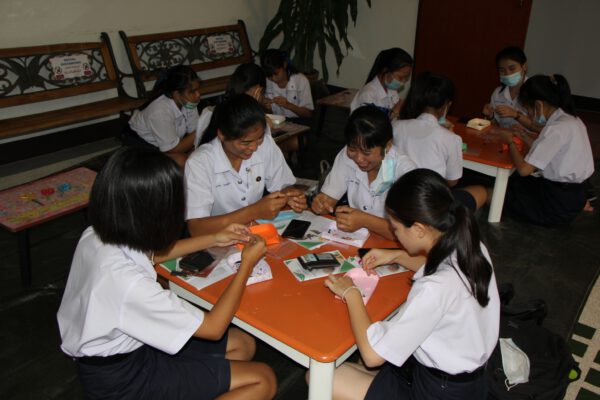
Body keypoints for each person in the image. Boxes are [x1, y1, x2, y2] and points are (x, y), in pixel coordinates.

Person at [56, 147, 277, 400]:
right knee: (263, 380)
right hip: (122, 380)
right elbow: (214, 328)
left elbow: (151, 255)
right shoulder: (130, 284)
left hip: (128, 349)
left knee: (243, 344)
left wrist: (215, 237)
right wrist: (246, 264)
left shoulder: (96, 234)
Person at [323, 169, 500, 400]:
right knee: (349, 367)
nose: (395, 235)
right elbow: (442, 267)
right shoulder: (470, 245)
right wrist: (396, 256)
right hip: (468, 381)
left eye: (396, 229)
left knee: (323, 380)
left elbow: (372, 356)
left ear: (418, 229)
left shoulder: (434, 288)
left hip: (439, 392)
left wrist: (351, 292)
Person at [185, 94, 307, 236]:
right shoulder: (199, 163)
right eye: (245, 142)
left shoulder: (265, 145)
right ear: (222, 135)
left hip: (255, 232)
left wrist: (289, 195)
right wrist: (254, 211)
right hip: (217, 238)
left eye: (259, 138)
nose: (254, 147)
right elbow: (196, 228)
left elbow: (283, 185)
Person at [496, 74, 594, 227]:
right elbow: (547, 149)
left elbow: (524, 170)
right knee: (515, 183)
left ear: (538, 105)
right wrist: (523, 136)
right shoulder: (571, 120)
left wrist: (510, 142)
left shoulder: (556, 128)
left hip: (557, 206)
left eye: (528, 110)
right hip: (575, 194)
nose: (529, 115)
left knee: (502, 195)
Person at [311, 106, 415, 240]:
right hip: (357, 240)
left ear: (387, 146)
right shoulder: (347, 157)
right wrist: (321, 204)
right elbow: (327, 200)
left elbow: (409, 232)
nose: (359, 159)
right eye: (352, 149)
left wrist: (364, 220)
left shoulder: (404, 172)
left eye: (367, 152)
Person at [394, 71, 488, 210]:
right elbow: (452, 181)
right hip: (428, 204)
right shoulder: (451, 138)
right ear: (446, 105)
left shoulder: (396, 126)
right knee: (481, 191)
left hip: (398, 196)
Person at [128, 65, 201, 167]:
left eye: (198, 89)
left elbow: (193, 133)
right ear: (176, 94)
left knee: (200, 154)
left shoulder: (188, 102)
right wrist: (202, 127)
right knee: (183, 162)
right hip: (142, 147)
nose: (198, 95)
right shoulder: (159, 111)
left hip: (170, 144)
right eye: (192, 91)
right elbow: (172, 149)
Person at [197, 63, 269, 146]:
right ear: (258, 91)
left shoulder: (210, 111)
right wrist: (254, 108)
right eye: (263, 93)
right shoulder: (238, 117)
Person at [482, 46, 540, 132]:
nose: (507, 74)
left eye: (512, 69)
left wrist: (516, 115)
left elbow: (540, 128)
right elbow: (496, 126)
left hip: (529, 139)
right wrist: (491, 116)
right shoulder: (498, 93)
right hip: (505, 137)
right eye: (502, 70)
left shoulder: (536, 91)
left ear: (524, 66)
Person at [350, 48, 413, 119]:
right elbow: (370, 125)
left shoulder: (392, 91)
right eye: (400, 78)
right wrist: (394, 112)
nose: (403, 82)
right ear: (385, 70)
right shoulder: (368, 95)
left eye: (406, 78)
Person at [261, 49, 314, 121]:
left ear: (284, 65)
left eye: (276, 74)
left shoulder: (301, 81)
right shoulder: (267, 81)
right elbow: (269, 112)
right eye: (269, 76)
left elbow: (308, 114)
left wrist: (288, 105)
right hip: (276, 120)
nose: (273, 78)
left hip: (298, 121)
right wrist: (266, 105)